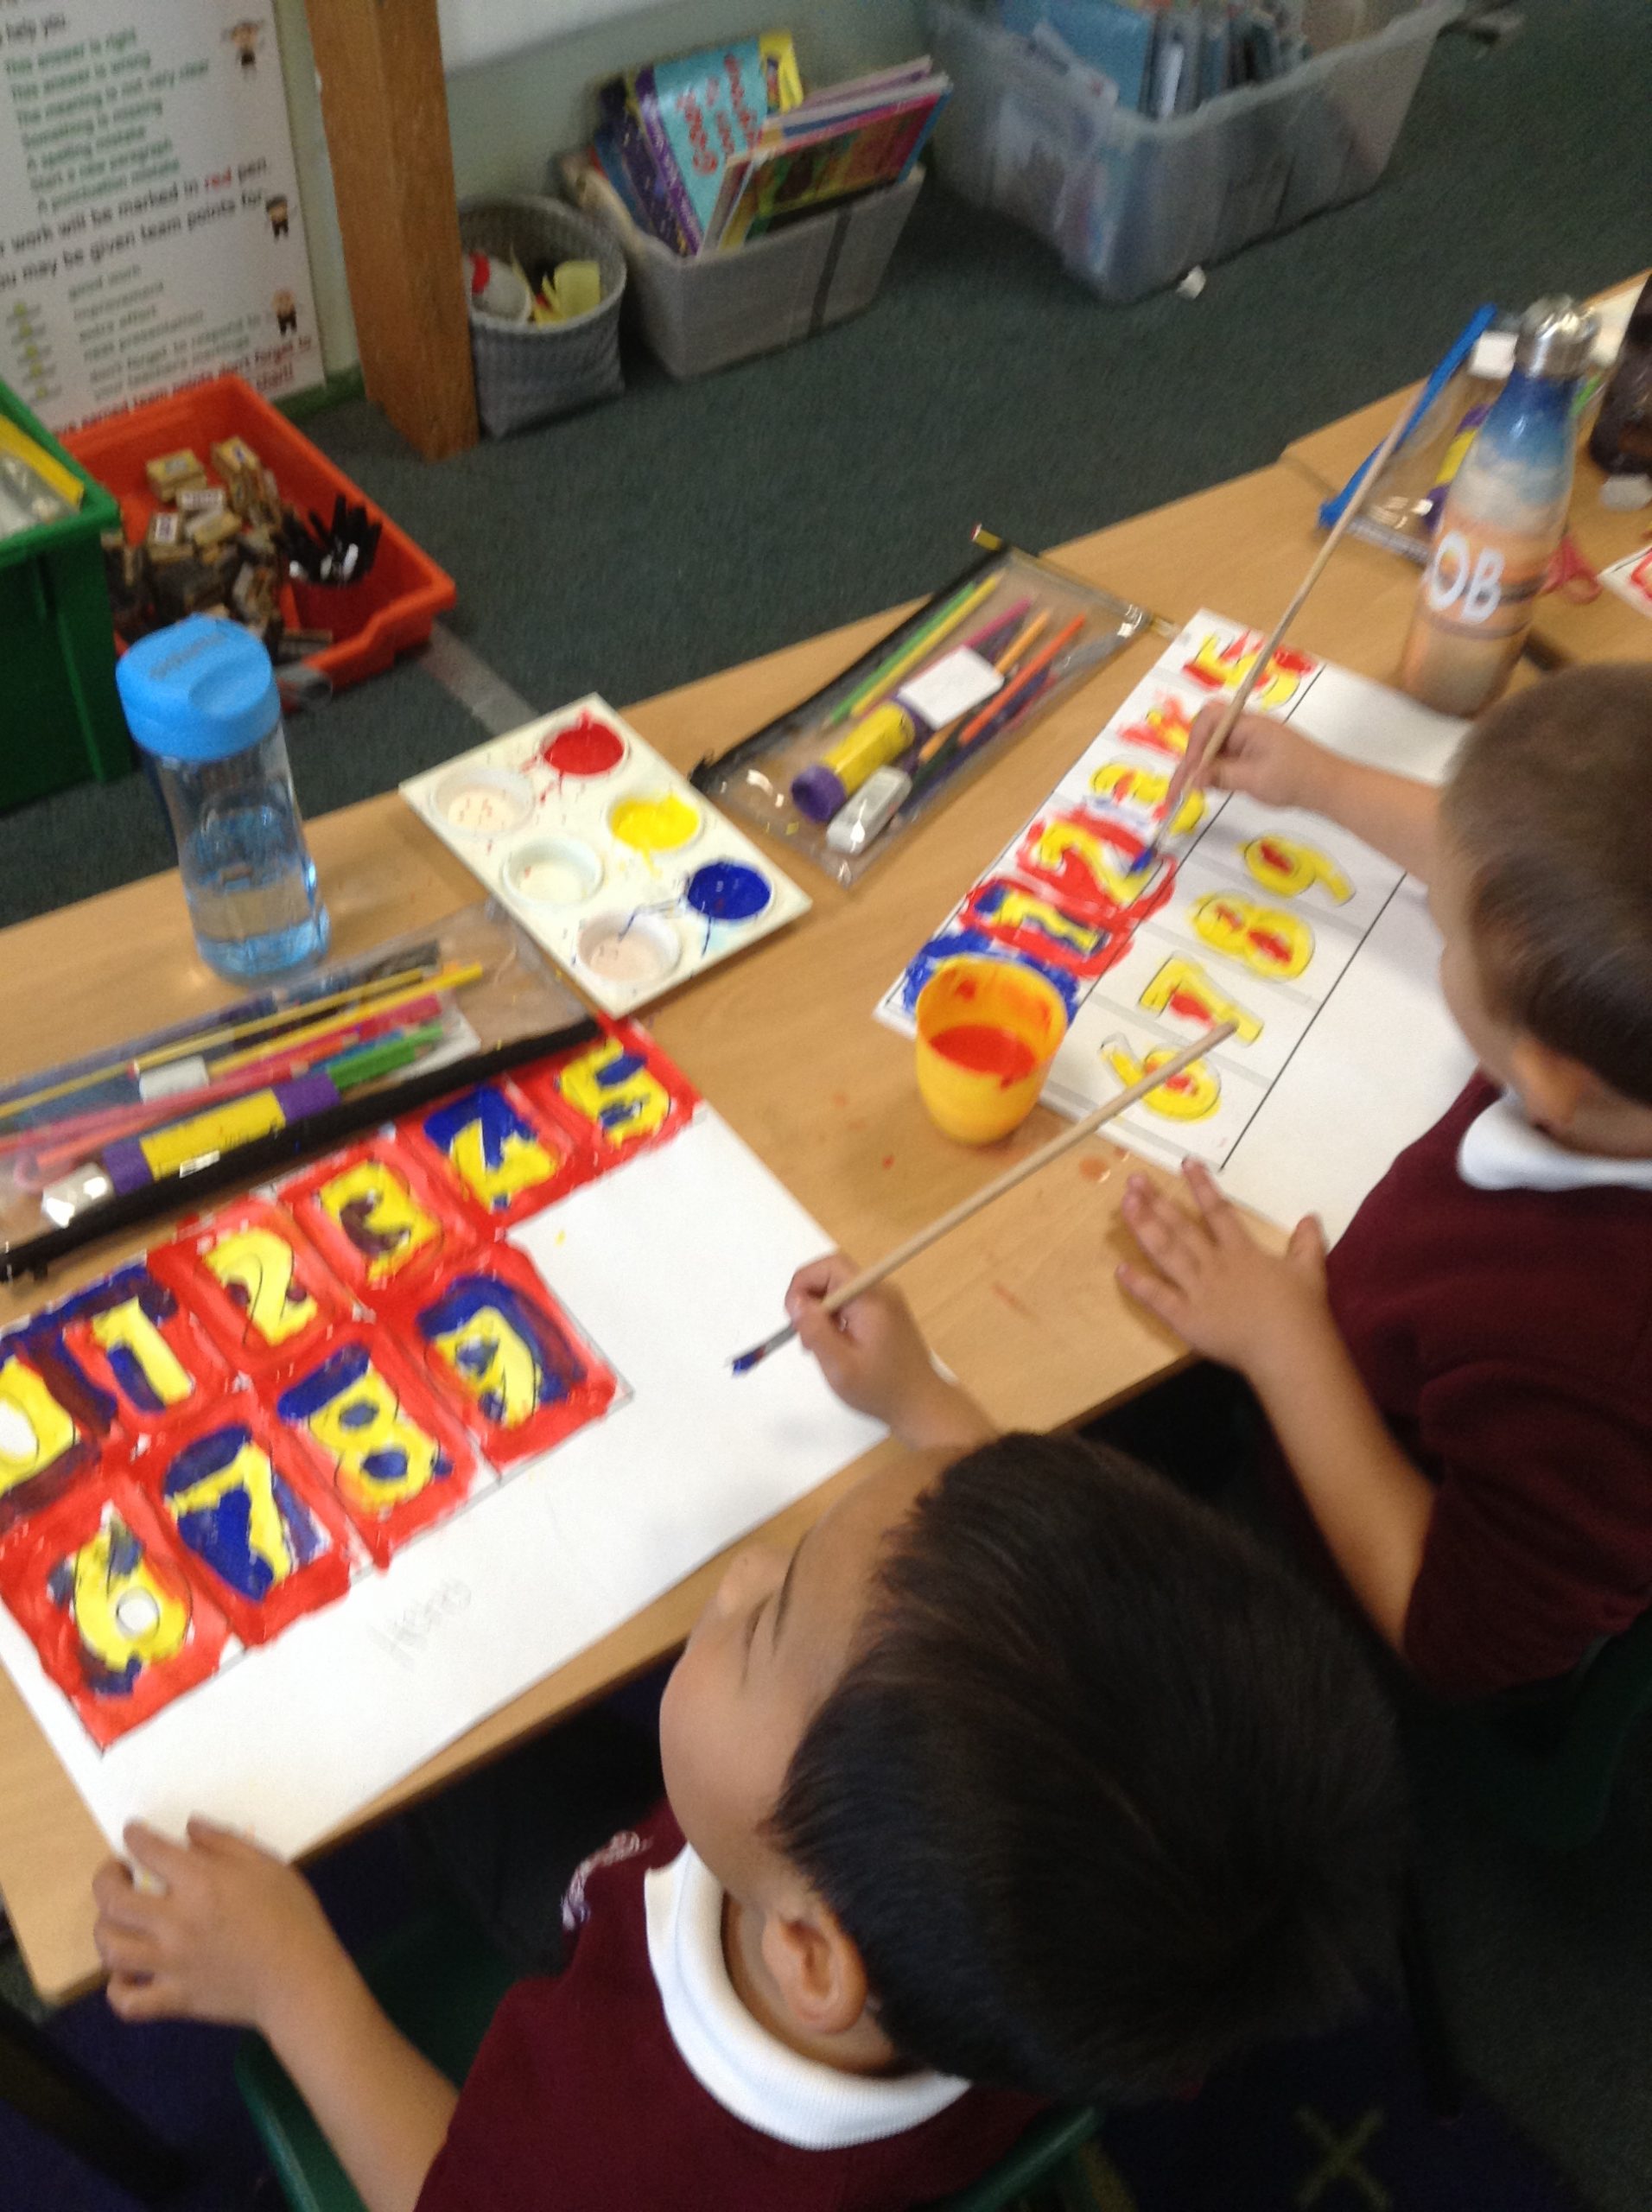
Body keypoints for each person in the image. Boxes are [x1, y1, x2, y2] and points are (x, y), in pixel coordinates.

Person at [92, 1264, 1404, 2212]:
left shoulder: (614, 2152)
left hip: (602, 1947)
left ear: (807, 1951)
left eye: (766, 1622)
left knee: (440, 1759)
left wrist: (296, 1986)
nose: (740, 1575)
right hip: (710, 1882)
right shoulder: (1066, 1959)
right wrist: (929, 1410)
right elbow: (1056, 1653)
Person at [1119, 664, 1652, 1700]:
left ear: (1546, 1077)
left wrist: (1285, 1346)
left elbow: (1455, 1634)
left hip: (1318, 1576)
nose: (1436, 920)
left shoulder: (1595, 1364)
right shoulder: (1605, 1075)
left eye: (1444, 936)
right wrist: (1320, 782)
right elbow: (1513, 877)